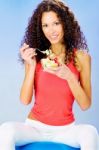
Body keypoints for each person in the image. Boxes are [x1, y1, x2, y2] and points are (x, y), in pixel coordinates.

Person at [0, 0, 99, 150]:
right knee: (5, 130)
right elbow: (25, 100)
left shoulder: (82, 58)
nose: (51, 30)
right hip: (34, 128)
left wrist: (70, 77)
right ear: (40, 29)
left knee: (90, 133)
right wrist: (31, 66)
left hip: (66, 130)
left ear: (66, 23)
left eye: (56, 23)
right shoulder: (35, 56)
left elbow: (85, 105)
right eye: (45, 25)